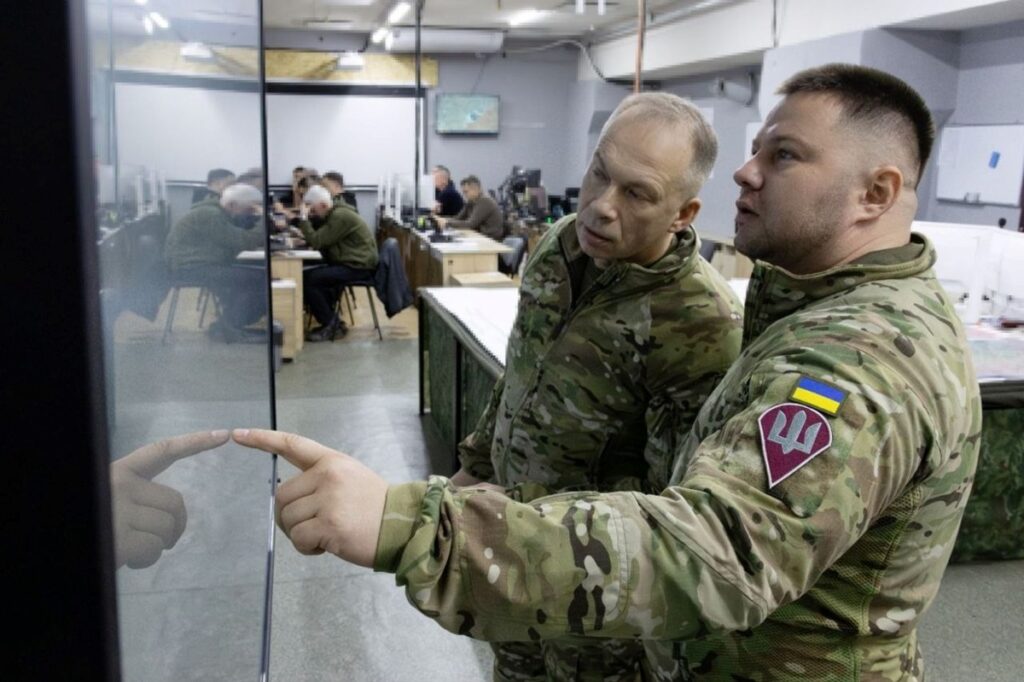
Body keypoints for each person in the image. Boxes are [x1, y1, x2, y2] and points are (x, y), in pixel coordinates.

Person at [235, 64, 983, 680]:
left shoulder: (854, 359)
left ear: (876, 193)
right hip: (574, 581)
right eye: (757, 148)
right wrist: (475, 474)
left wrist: (417, 526)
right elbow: (524, 380)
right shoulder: (801, 314)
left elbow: (715, 546)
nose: (747, 172)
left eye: (783, 155)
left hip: (621, 611)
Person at [445, 93, 743, 680]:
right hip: (508, 537)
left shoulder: (700, 321)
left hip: (590, 578)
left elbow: (673, 496)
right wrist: (476, 468)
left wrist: (535, 513)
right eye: (599, 174)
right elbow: (521, 370)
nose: (602, 207)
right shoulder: (561, 246)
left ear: (683, 214)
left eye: (637, 194)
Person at [165, 183, 267, 341]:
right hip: (193, 268)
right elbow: (242, 241)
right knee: (260, 280)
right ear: (232, 205)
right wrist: (264, 220)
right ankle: (229, 328)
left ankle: (228, 325)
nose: (250, 214)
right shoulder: (211, 215)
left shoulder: (215, 212)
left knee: (254, 275)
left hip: (199, 264)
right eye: (248, 210)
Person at [295, 185, 378, 342]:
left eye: (313, 211)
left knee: (310, 280)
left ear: (323, 205)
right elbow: (323, 238)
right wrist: (307, 238)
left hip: (358, 266)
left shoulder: (340, 216)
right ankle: (331, 321)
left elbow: (317, 241)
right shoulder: (336, 213)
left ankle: (332, 324)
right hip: (352, 262)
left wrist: (304, 219)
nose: (313, 215)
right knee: (311, 276)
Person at [436, 175, 505, 241]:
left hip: (490, 240)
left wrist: (447, 223)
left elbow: (470, 224)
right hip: (479, 236)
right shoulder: (471, 202)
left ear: (476, 189)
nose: (464, 195)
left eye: (466, 192)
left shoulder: (485, 201)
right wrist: (441, 219)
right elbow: (457, 218)